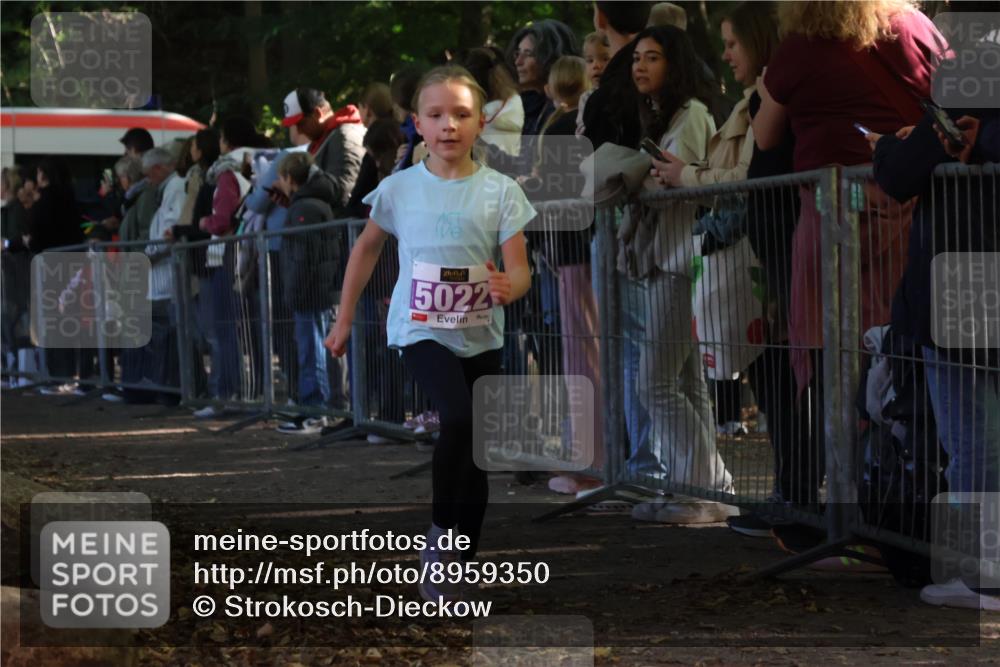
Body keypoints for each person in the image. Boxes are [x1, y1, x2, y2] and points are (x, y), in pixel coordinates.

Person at [324, 65, 534, 601]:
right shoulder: (398, 189)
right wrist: (345, 318)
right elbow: (366, 248)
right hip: (418, 329)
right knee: (458, 418)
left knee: (476, 448)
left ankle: (463, 558)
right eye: (436, 115)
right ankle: (442, 538)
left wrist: (511, 285)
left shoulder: (502, 191)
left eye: (461, 115)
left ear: (481, 122)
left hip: (482, 333)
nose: (449, 126)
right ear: (417, 123)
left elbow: (520, 267)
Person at [753, 0, 948, 505]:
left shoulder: (798, 48)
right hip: (912, 210)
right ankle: (910, 501)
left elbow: (765, 134)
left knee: (833, 364)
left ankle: (847, 505)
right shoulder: (911, 28)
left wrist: (764, 92)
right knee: (905, 355)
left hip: (826, 213)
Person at [624, 25, 735, 523]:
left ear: (676, 64)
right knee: (685, 382)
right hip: (668, 259)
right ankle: (701, 488)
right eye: (637, 58)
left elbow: (690, 185)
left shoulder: (691, 115)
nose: (640, 66)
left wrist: (643, 181)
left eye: (652, 57)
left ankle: (704, 488)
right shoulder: (668, 115)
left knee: (655, 383)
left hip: (679, 261)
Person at [581, 1, 656, 488]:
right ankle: (640, 464)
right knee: (636, 349)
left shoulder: (617, 83)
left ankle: (645, 467)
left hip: (629, 225)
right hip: (627, 224)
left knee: (637, 349)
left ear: (600, 17)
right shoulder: (622, 76)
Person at [190, 117, 257, 416]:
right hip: (235, 257)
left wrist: (205, 222)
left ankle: (229, 395)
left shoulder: (228, 175)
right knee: (232, 331)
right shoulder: (246, 171)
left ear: (225, 142)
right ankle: (235, 393)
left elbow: (222, 219)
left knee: (225, 331)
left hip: (226, 258)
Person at [273, 152, 344, 435]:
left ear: (290, 178)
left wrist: (295, 291)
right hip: (316, 289)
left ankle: (315, 412)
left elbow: (303, 257)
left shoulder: (305, 208)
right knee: (314, 349)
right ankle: (317, 410)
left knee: (311, 351)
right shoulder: (312, 203)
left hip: (310, 291)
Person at [576, 31, 610, 136]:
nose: (596, 65)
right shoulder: (586, 97)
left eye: (605, 59)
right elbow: (581, 129)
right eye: (590, 60)